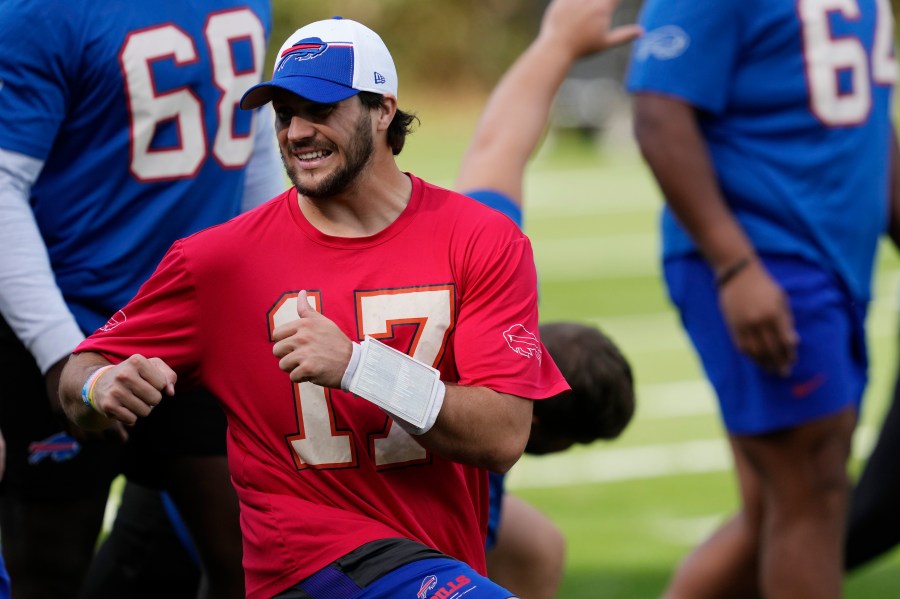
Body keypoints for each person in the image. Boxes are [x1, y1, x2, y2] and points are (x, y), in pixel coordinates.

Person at [57, 16, 569, 599]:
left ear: (383, 110)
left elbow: (502, 437)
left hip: (434, 558)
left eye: (319, 108)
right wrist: (101, 388)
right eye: (283, 113)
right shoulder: (219, 261)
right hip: (305, 564)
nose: (296, 130)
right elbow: (79, 373)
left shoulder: (480, 239)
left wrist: (357, 365)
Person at [0, 1, 283, 597]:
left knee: (264, 564)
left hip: (199, 322)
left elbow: (251, 134)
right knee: (46, 575)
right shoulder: (40, 12)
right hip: (66, 320)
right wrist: (60, 352)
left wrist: (272, 285)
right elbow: (2, 183)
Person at [626, 1, 896, 597]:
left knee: (775, 506)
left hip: (831, 258)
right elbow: (658, 111)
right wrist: (736, 265)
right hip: (763, 250)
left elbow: (866, 118)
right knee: (813, 487)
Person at [455, 1, 640, 596]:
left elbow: (497, 146)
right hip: (346, 528)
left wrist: (556, 42)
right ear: (552, 442)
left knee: (538, 547)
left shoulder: (479, 266)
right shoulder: (478, 492)